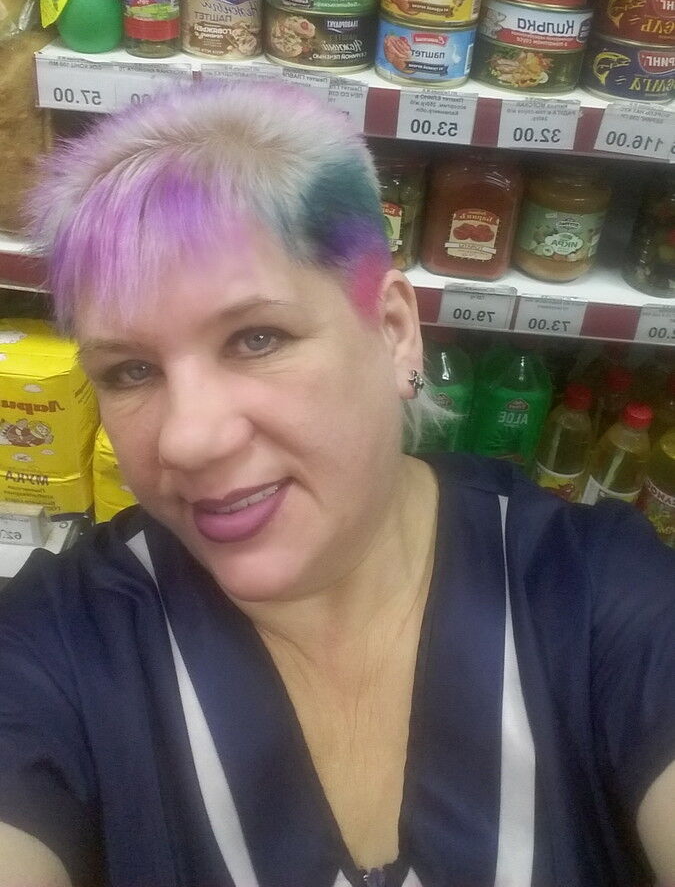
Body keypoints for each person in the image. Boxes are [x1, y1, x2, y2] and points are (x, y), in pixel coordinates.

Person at [0, 76, 673, 887]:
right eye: (130, 370)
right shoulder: (54, 646)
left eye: (256, 338)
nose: (187, 439)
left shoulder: (598, 596)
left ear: (393, 332)